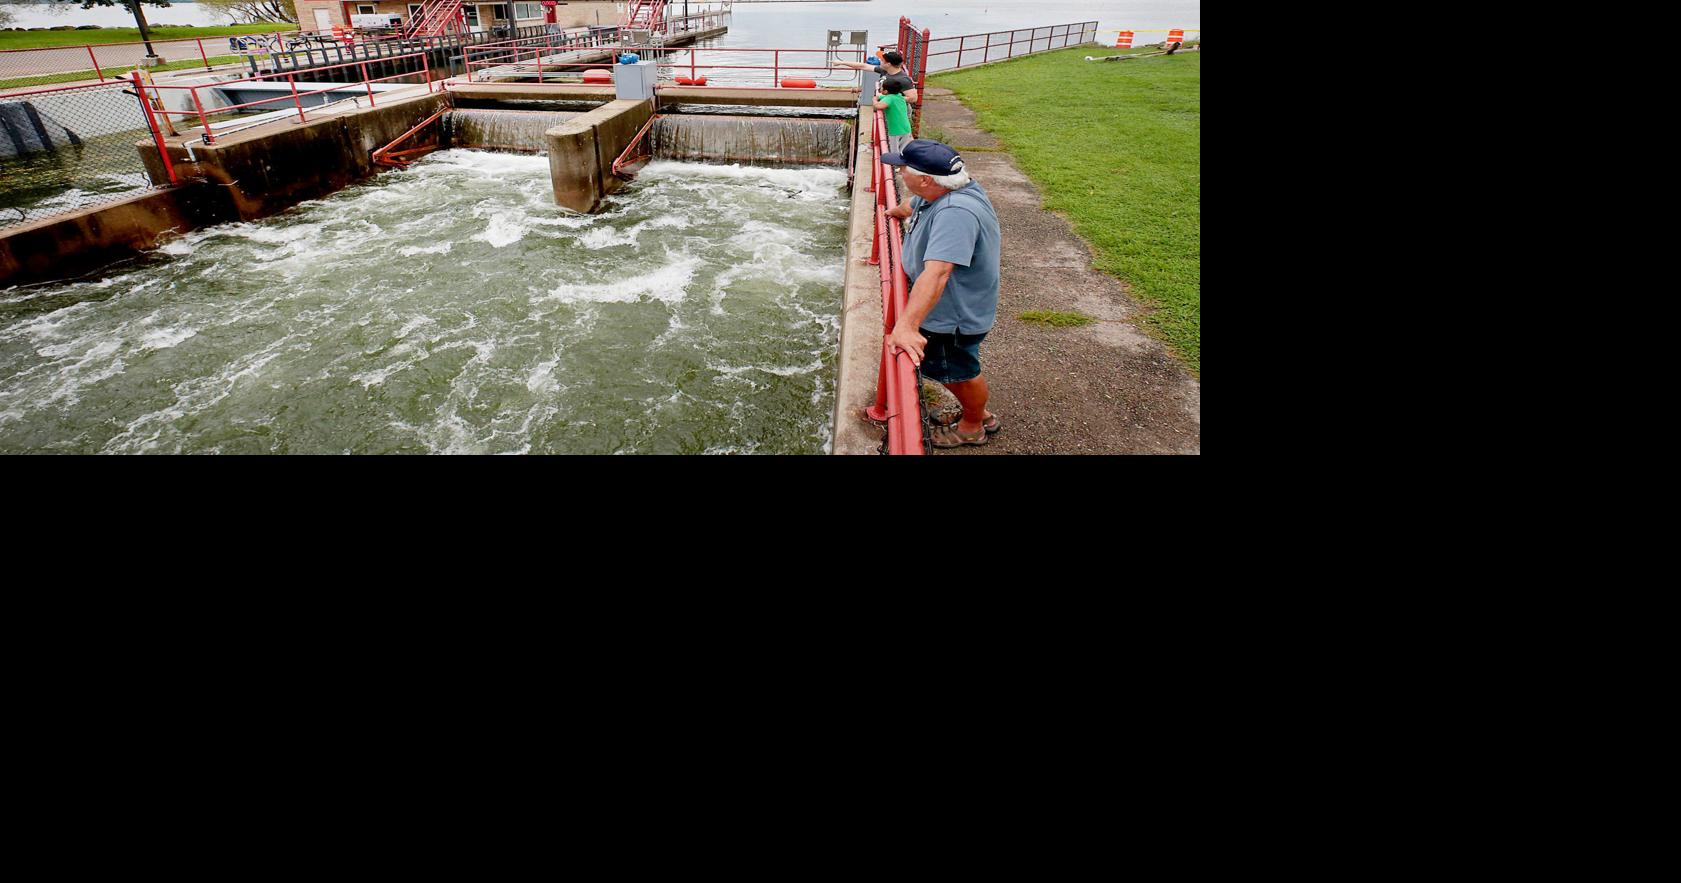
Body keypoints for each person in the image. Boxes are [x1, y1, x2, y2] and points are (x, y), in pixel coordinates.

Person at [879, 140, 1002, 448]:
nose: (899, 171)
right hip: (952, 308)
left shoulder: (955, 213)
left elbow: (938, 272)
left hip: (953, 316)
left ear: (925, 179)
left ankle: (973, 426)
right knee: (951, 368)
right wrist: (897, 211)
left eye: (904, 168)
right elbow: (914, 205)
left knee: (959, 371)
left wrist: (907, 326)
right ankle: (978, 413)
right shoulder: (944, 189)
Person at [833, 49, 919, 105]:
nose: (879, 61)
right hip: (885, 107)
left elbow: (913, 98)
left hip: (897, 112)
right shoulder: (885, 70)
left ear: (888, 64)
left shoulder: (903, 79)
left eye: (882, 60)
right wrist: (842, 63)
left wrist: (887, 98)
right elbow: (863, 66)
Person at [873, 78, 913, 155]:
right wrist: (880, 97)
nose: (880, 88)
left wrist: (874, 100)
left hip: (895, 131)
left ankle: (895, 162)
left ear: (886, 91)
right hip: (906, 128)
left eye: (882, 87)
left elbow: (878, 106)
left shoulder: (889, 99)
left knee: (895, 153)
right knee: (903, 151)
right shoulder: (899, 96)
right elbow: (884, 97)